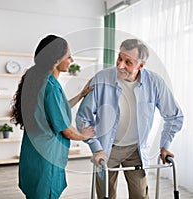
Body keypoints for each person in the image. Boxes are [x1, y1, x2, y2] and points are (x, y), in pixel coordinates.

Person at [76, 38, 184, 199]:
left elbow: (174, 116)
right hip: (106, 148)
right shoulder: (101, 79)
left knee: (140, 195)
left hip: (135, 150)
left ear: (141, 66)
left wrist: (165, 145)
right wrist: (96, 148)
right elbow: (83, 118)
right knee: (105, 195)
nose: (120, 65)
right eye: (119, 58)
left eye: (128, 62)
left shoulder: (154, 82)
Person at [11, 35, 95, 199]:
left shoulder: (37, 79)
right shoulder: (51, 87)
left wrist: (81, 95)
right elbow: (65, 130)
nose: (72, 59)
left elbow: (55, 109)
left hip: (33, 154)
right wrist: (84, 135)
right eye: (68, 55)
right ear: (56, 59)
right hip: (47, 156)